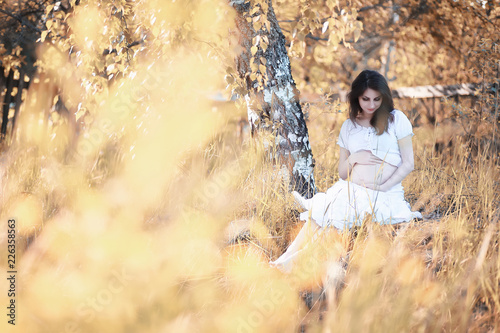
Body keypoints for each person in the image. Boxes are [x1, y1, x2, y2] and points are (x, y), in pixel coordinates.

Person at [270, 70, 422, 272]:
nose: (371, 105)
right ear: (356, 98)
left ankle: (295, 261)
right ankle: (285, 258)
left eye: (377, 99)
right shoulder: (349, 126)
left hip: (384, 194)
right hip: (350, 188)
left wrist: (382, 186)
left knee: (336, 218)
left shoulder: (396, 119)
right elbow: (343, 172)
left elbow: (408, 163)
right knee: (320, 214)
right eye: (365, 99)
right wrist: (354, 158)